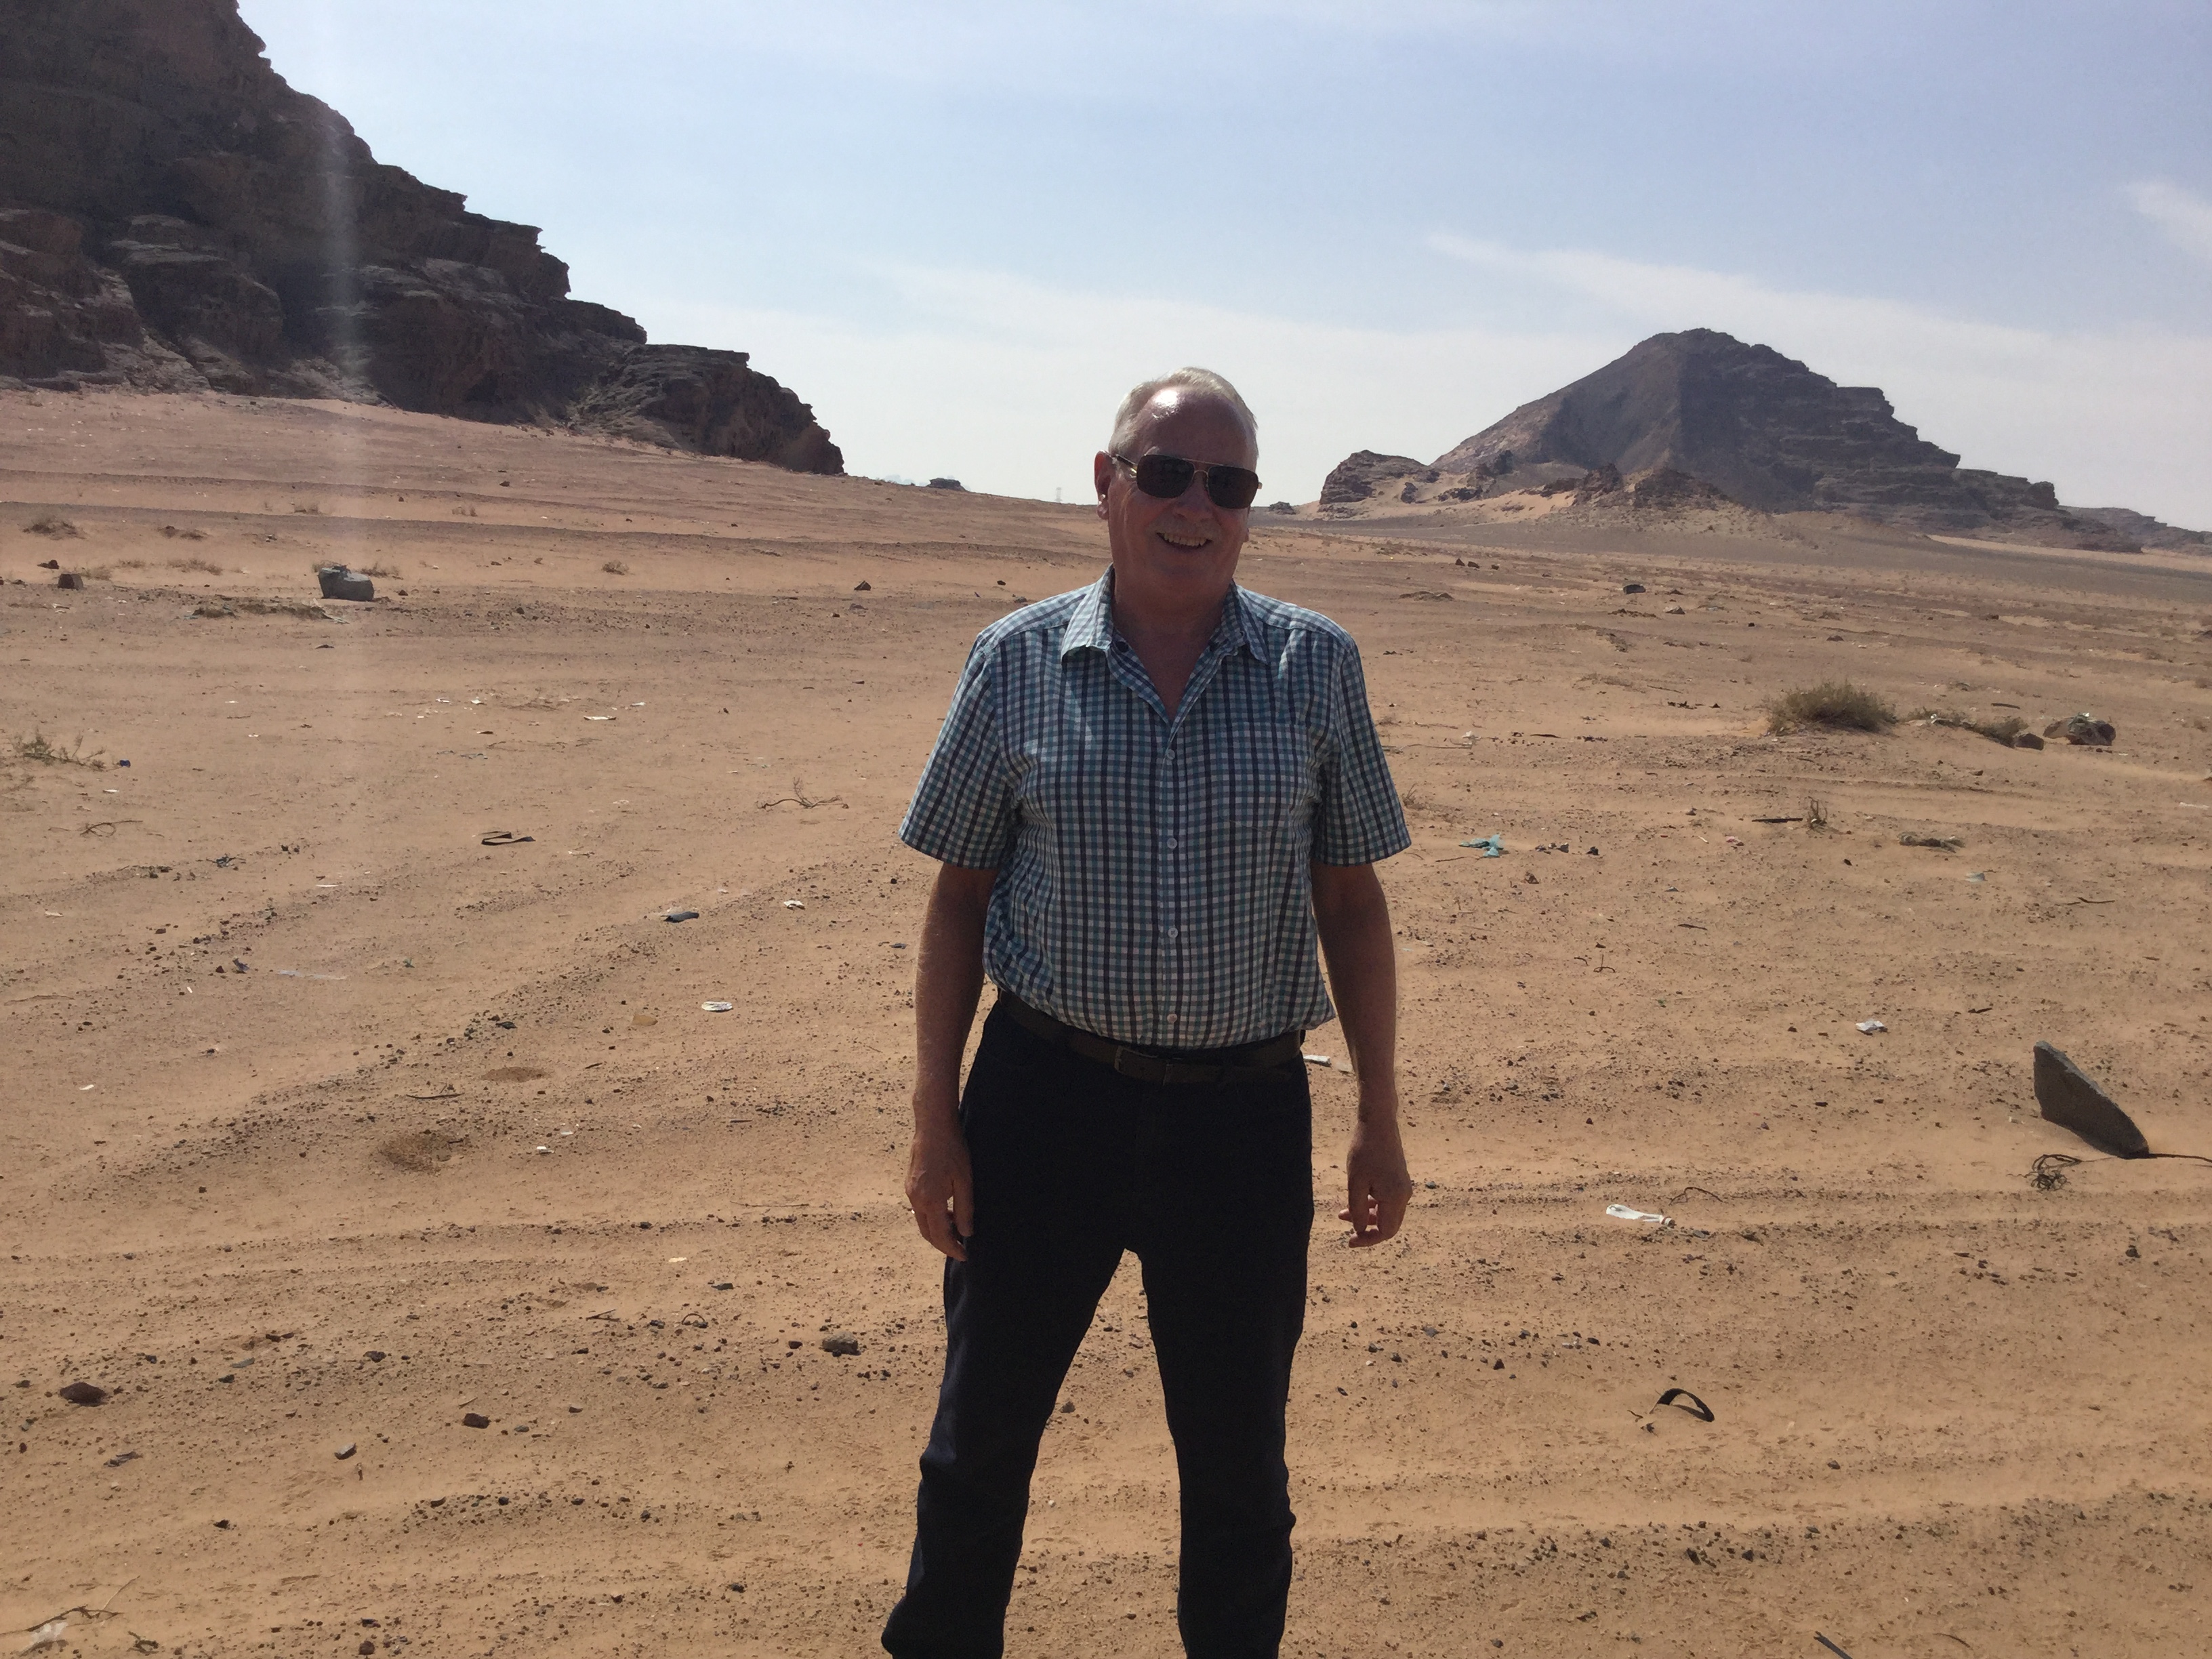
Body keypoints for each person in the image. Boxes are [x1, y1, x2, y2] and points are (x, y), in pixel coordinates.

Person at [882, 367, 1413, 1659]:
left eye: (1228, 484)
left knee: (1238, 1467)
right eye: (1167, 474)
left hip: (1242, 1120)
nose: (1196, 507)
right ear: (1108, 482)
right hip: (1043, 1102)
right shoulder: (1016, 660)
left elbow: (1352, 904)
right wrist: (935, 1123)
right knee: (979, 1440)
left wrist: (1380, 1119)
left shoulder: (1314, 666)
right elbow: (960, 899)